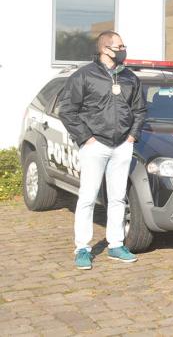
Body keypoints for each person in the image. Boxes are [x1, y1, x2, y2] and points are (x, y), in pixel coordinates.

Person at [59, 31, 146, 270]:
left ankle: (116, 245)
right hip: (95, 145)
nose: (123, 49)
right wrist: (86, 138)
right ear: (105, 49)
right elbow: (67, 110)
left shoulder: (129, 77)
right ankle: (83, 248)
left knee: (117, 197)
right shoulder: (84, 75)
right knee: (87, 197)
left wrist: (132, 136)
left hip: (122, 145)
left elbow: (140, 110)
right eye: (119, 46)